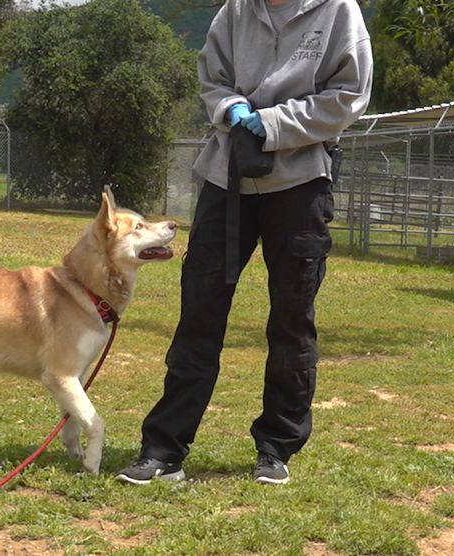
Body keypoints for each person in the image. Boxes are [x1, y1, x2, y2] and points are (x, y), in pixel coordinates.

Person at [116, 0, 372, 485]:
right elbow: (212, 77)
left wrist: (272, 124)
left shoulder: (339, 11)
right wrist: (227, 106)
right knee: (200, 312)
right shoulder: (235, 11)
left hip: (300, 182)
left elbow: (349, 96)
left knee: (292, 319)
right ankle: (164, 449)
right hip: (226, 178)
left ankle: (277, 448)